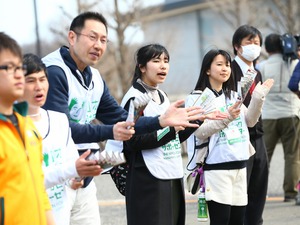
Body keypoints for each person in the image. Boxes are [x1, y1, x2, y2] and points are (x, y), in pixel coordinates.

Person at [42, 12, 202, 225]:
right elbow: (62, 130)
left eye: (103, 40)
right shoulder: (54, 72)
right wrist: (112, 131)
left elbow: (120, 118)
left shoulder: (95, 77)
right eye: (92, 37)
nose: (98, 45)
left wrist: (161, 121)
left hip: (84, 173)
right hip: (55, 175)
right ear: (72, 37)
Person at [19, 53, 103, 225]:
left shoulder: (59, 119)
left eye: (42, 79)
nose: (39, 87)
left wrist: (77, 176)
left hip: (60, 212)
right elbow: (27, 180)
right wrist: (72, 169)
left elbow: (70, 159)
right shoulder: (11, 127)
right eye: (31, 81)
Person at [192, 48, 273, 225]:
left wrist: (258, 98)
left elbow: (250, 122)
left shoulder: (233, 95)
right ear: (207, 69)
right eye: (219, 64)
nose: (225, 69)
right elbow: (199, 131)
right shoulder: (198, 97)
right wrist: (228, 117)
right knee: (222, 220)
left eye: (227, 65)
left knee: (238, 220)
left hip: (240, 166)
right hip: (217, 167)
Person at [0, 32, 55, 225]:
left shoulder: (27, 126)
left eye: (19, 67)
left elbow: (39, 190)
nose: (18, 75)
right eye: (8, 68)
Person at [231, 25, 268, 225]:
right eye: (249, 42)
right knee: (241, 189)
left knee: (259, 186)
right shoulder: (230, 70)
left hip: (258, 133)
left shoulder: (257, 73)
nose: (254, 46)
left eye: (257, 43)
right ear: (237, 46)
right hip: (239, 135)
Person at [258, 34, 300, 203]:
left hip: (268, 116)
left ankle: (259, 192)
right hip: (291, 114)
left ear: (266, 48)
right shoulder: (295, 63)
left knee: (264, 156)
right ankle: (290, 193)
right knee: (292, 156)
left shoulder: (260, 66)